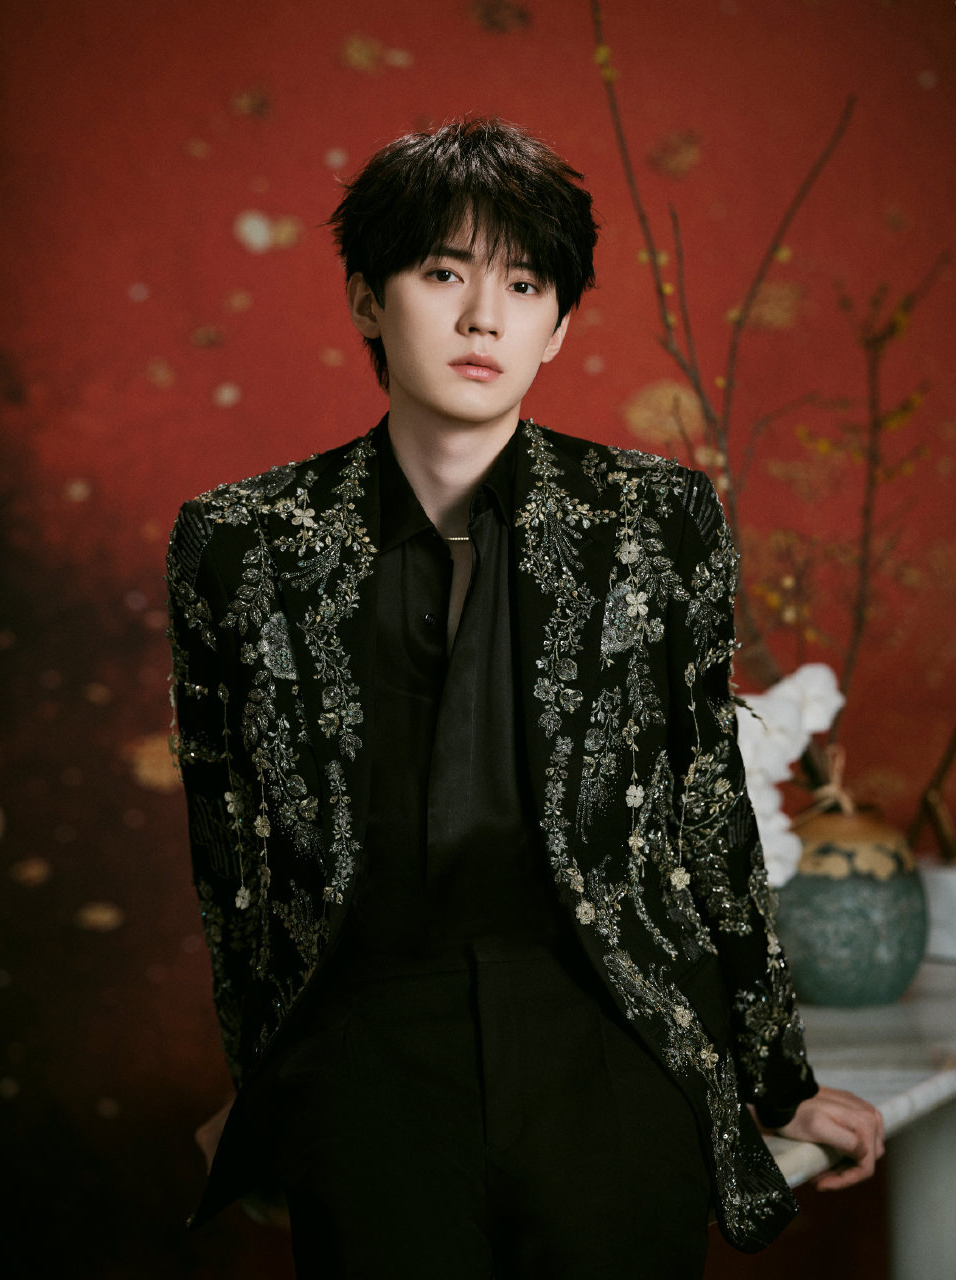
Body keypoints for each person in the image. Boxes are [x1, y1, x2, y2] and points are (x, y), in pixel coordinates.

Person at [166, 118, 883, 1279]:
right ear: (366, 298)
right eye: (442, 273)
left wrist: (775, 1077)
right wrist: (265, 1089)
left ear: (559, 326)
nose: (482, 318)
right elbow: (231, 854)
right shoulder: (238, 542)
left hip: (605, 1032)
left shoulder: (657, 520)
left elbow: (708, 812)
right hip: (370, 1051)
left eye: (524, 283)